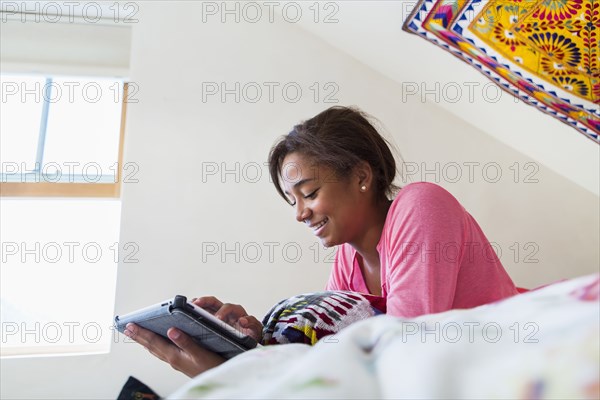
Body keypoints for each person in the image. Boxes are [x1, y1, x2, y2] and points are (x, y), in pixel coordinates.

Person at [125, 106, 519, 377]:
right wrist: (258, 339)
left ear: (361, 177)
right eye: (293, 201)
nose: (300, 213)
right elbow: (336, 356)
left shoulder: (421, 205)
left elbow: (403, 350)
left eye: (310, 193)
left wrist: (239, 379)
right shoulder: (347, 263)